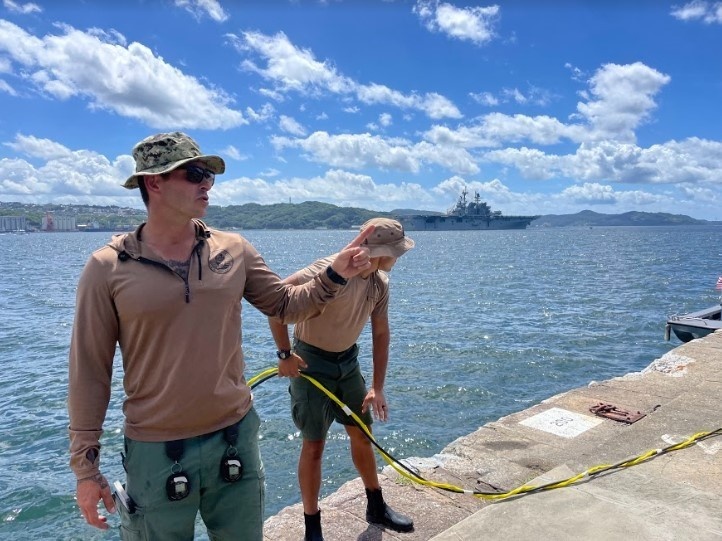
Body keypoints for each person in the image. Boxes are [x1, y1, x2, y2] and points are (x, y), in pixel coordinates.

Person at [67, 131, 374, 541]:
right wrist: (86, 472)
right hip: (156, 451)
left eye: (209, 175)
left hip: (235, 440)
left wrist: (335, 274)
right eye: (195, 174)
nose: (207, 184)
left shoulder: (235, 249)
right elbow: (89, 371)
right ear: (153, 182)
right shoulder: (107, 267)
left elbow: (285, 305)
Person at [268, 217, 415, 541]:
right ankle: (312, 526)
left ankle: (375, 505)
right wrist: (284, 355)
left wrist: (377, 387)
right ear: (380, 251)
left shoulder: (379, 283)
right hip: (310, 364)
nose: (398, 258)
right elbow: (275, 303)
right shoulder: (327, 270)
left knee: (362, 433)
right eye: (396, 252)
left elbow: (381, 332)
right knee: (314, 445)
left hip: (348, 364)